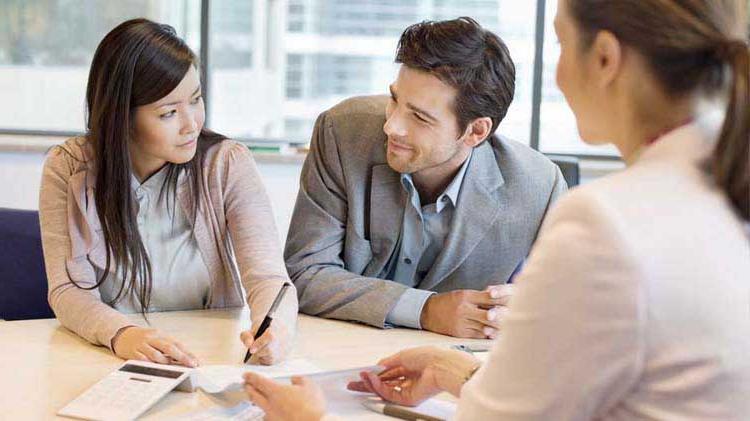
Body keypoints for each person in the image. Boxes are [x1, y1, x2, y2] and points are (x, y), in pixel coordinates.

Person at [243, 0, 750, 418]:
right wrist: (453, 372)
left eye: (558, 43)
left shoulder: (603, 217)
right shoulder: (717, 188)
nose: (393, 126)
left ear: (604, 59)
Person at [284, 17, 567, 340]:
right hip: (339, 348)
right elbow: (304, 273)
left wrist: (531, 307)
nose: (392, 126)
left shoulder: (538, 187)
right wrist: (426, 310)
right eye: (394, 100)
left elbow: (570, 306)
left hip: (451, 371)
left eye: (419, 117)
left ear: (475, 131)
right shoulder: (343, 134)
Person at [38, 19, 297, 367]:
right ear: (121, 117)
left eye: (196, 99)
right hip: (108, 356)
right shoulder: (68, 167)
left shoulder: (226, 164)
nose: (192, 124)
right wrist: (123, 335)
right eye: (169, 112)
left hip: (208, 356)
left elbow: (268, 278)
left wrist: (275, 329)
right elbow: (68, 291)